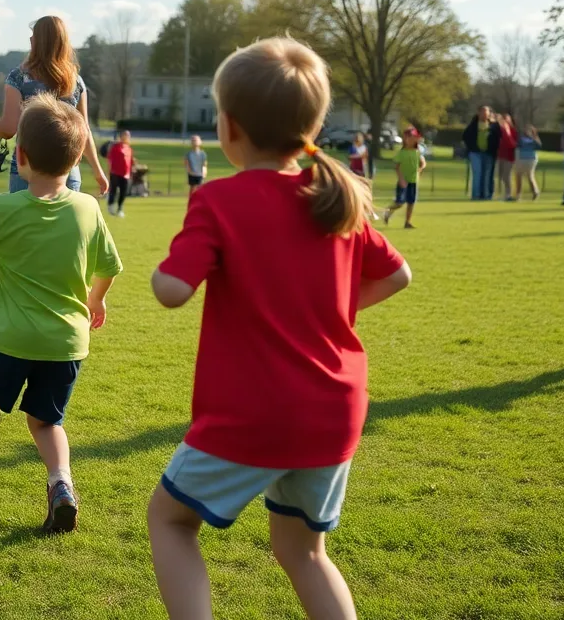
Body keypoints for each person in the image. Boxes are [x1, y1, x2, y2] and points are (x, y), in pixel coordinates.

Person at [146, 38, 410, 620]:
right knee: (305, 552)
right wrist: (327, 314)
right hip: (334, 409)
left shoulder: (218, 201)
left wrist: (159, 272)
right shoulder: (333, 198)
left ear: (230, 126)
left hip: (256, 410)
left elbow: (172, 291)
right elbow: (399, 276)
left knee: (170, 519)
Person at [0, 93, 122, 533]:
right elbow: (110, 267)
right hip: (67, 343)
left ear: (19, 156)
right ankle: (61, 485)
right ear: (78, 156)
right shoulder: (87, 208)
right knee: (46, 421)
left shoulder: (5, 209)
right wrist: (95, 299)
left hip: (12, 337)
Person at [0, 16, 109, 196]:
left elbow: (8, 129)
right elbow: (84, 131)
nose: (30, 39)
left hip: (28, 171)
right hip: (67, 170)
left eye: (33, 35)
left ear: (38, 41)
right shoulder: (75, 81)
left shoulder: (19, 78)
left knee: (26, 224)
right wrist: (98, 171)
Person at [382, 128, 427, 229]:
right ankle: (388, 211)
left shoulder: (417, 152)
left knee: (411, 202)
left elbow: (423, 163)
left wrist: (420, 170)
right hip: (403, 182)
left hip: (413, 181)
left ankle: (407, 222)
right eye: (410, 137)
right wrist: (401, 179)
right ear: (405, 139)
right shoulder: (401, 153)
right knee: (400, 202)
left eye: (414, 137)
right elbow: (397, 167)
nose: (412, 139)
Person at [462, 106, 501, 201]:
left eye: (486, 113)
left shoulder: (494, 126)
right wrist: (472, 148)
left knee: (487, 175)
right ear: (478, 113)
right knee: (477, 174)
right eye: (482, 112)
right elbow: (465, 137)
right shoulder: (473, 125)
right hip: (475, 153)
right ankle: (476, 195)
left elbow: (499, 138)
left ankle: (487, 195)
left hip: (489, 153)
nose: (484, 114)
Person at [107, 131, 134, 217]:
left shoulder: (129, 148)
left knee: (123, 192)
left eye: (127, 136)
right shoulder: (116, 147)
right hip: (115, 173)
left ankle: (120, 209)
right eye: (124, 135)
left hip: (126, 174)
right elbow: (110, 158)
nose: (126, 137)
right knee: (113, 190)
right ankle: (111, 206)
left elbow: (130, 161)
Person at [514, 125, 541, 201]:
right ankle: (534, 192)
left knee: (521, 176)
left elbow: (539, 146)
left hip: (526, 159)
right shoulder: (529, 139)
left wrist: (535, 136)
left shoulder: (525, 139)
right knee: (527, 176)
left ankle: (519, 195)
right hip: (528, 159)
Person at [496, 114, 518, 201]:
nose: (504, 121)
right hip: (500, 155)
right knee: (500, 176)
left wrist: (507, 133)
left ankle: (508, 194)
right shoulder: (500, 130)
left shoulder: (512, 131)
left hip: (509, 156)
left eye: (506, 119)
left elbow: (513, 143)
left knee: (506, 176)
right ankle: (500, 194)